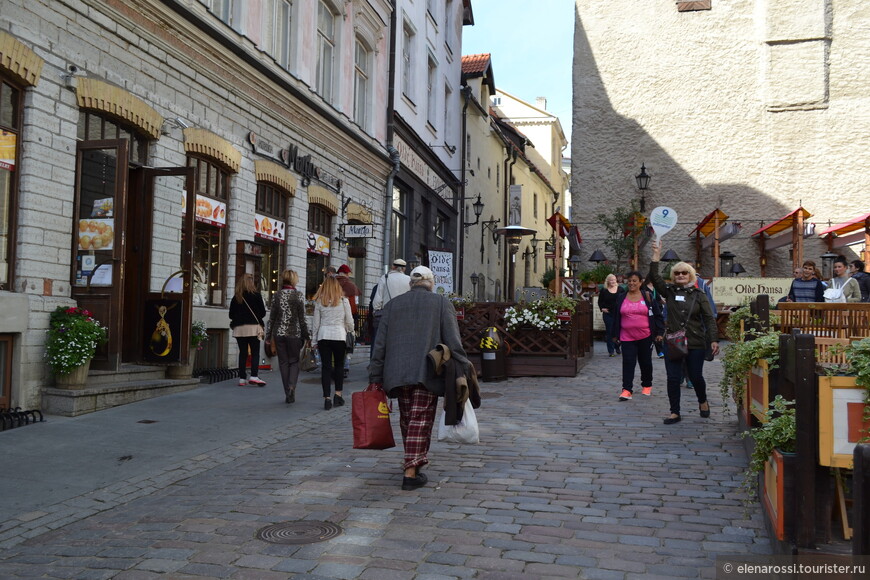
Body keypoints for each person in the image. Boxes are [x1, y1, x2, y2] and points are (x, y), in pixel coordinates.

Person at [368, 265, 470, 491]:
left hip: (396, 372)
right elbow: (453, 342)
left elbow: (380, 345)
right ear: (431, 283)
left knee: (408, 419)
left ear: (410, 284)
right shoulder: (442, 303)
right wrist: (466, 369)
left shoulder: (392, 305)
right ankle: (411, 470)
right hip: (427, 370)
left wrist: (375, 375)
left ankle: (413, 460)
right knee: (420, 419)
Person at [649, 241, 719, 425]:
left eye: (684, 272)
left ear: (690, 276)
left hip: (695, 341)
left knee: (695, 376)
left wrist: (713, 340)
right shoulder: (669, 291)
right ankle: (674, 412)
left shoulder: (699, 295)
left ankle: (702, 400)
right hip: (673, 340)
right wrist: (656, 255)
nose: (680, 275)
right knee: (673, 378)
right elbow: (654, 278)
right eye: (677, 273)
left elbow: (709, 318)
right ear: (673, 276)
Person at [612, 271, 664, 401]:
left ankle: (647, 384)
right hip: (626, 336)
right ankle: (626, 389)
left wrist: (659, 333)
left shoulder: (647, 296)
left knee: (645, 362)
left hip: (645, 336)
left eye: (635, 280)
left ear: (641, 282)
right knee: (628, 362)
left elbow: (657, 315)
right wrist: (614, 334)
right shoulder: (621, 297)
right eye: (629, 281)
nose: (631, 283)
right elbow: (616, 317)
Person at [265, 270, 309, 404]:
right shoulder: (299, 295)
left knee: (283, 362)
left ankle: (286, 391)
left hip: (279, 333)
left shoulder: (277, 295)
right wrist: (306, 335)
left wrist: (268, 336)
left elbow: (272, 318)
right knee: (294, 362)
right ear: (294, 280)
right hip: (294, 333)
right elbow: (302, 318)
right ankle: (291, 387)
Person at [312, 275, 354, 410]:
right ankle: (338, 395)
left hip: (323, 335)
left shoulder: (320, 301)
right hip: (339, 335)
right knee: (339, 366)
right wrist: (351, 331)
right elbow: (349, 321)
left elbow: (315, 324)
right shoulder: (343, 300)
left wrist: (313, 340)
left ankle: (327, 398)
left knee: (326, 367)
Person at [229, 273, 267, 387]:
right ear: (252, 283)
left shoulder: (236, 297)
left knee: (243, 353)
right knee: (255, 353)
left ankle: (242, 378)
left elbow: (231, 315)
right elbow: (263, 313)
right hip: (253, 328)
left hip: (239, 329)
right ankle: (254, 376)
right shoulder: (256, 295)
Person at [371, 258, 411, 350]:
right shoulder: (409, 280)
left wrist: (376, 310)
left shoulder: (385, 278)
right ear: (404, 269)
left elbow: (378, 299)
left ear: (393, 267)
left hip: (386, 314)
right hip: (403, 316)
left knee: (381, 343)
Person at [335, 264, 362, 376]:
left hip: (331, 318)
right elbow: (354, 305)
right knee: (347, 342)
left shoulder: (330, 283)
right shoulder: (351, 286)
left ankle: (333, 365)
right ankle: (345, 366)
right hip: (346, 318)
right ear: (346, 274)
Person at [597, 274, 624, 357]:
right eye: (611, 280)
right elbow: (600, 301)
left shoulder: (621, 290)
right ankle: (611, 351)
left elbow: (624, 300)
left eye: (614, 280)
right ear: (607, 281)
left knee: (619, 331)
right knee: (609, 332)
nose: (613, 281)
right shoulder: (604, 290)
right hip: (608, 314)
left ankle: (617, 346)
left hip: (619, 313)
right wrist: (602, 308)